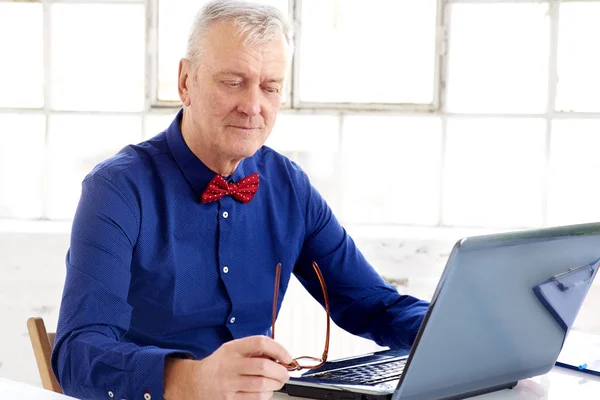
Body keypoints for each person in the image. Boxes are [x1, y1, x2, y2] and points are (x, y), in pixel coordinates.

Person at [51, 1, 430, 399]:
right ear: (185, 82)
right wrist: (190, 380)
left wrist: (464, 333)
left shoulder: (290, 187)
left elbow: (373, 305)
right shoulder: (116, 190)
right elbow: (78, 354)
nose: (253, 107)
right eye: (232, 82)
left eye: (270, 87)